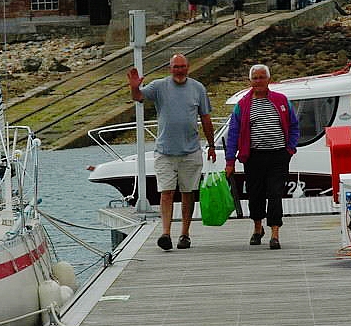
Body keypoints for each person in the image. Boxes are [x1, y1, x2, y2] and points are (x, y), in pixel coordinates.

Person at [127, 53, 216, 251]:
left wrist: (211, 145)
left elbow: (206, 118)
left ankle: (185, 234)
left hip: (191, 151)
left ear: (188, 67)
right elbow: (138, 97)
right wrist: (134, 86)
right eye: (176, 67)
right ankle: (165, 233)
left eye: (182, 66)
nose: (179, 70)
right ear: (170, 68)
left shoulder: (198, 88)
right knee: (166, 192)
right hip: (165, 152)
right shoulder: (159, 86)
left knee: (187, 193)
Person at [225, 64, 299, 250]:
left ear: (268, 79)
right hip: (253, 157)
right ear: (250, 81)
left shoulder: (281, 100)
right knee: (255, 194)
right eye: (255, 78)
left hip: (278, 155)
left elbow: (294, 125)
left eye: (261, 77)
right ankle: (257, 229)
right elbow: (233, 133)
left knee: (275, 194)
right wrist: (230, 160)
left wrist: (290, 149)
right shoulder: (243, 104)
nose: (258, 81)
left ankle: (275, 233)